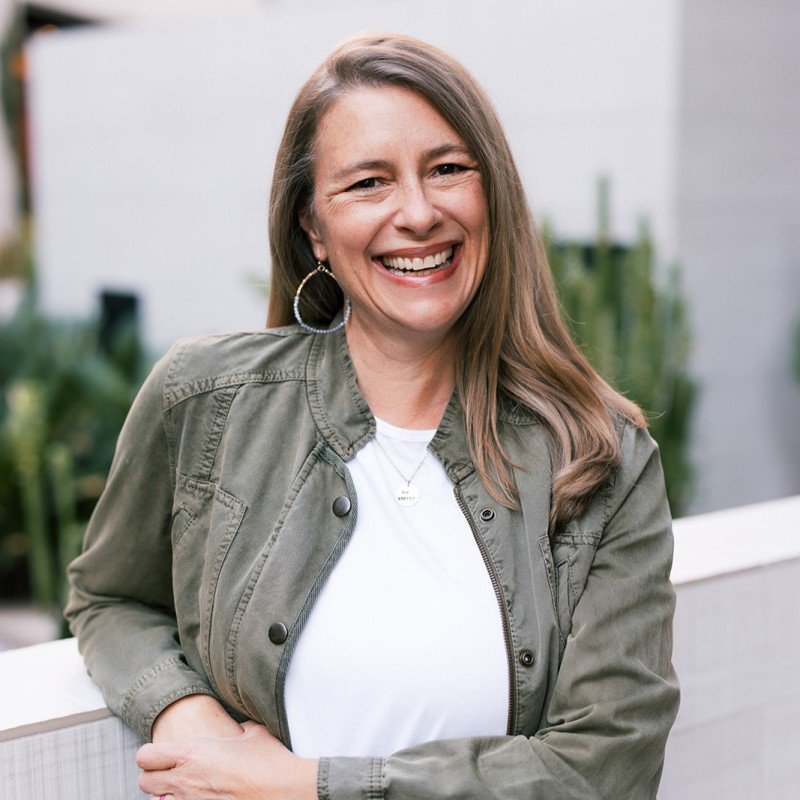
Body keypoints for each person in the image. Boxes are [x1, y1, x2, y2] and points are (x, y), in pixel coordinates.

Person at [65, 32, 679, 800]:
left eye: (449, 169)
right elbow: (111, 596)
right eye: (368, 183)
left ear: (494, 194)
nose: (418, 213)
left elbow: (608, 765)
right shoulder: (202, 404)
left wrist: (304, 787)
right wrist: (182, 712)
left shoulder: (599, 459)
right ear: (312, 227)